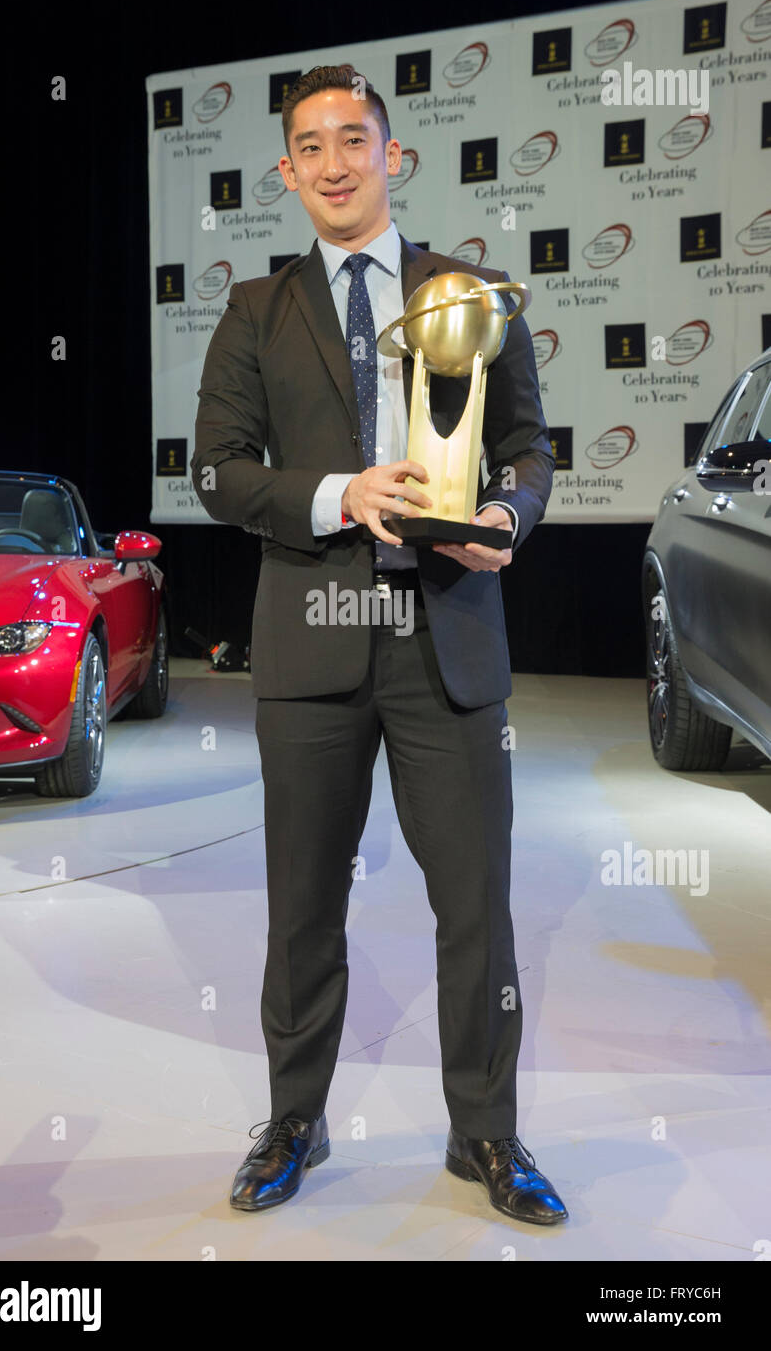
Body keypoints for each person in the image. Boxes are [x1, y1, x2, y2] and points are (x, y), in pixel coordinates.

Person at [191, 63, 567, 1226]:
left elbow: (525, 449)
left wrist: (506, 515)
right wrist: (341, 493)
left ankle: (486, 1136)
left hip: (443, 638)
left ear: (392, 155)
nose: (336, 161)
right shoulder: (255, 310)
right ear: (287, 172)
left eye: (355, 138)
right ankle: (292, 1121)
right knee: (301, 906)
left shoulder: (472, 293)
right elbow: (219, 474)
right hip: (309, 644)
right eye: (311, 145)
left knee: (477, 906)